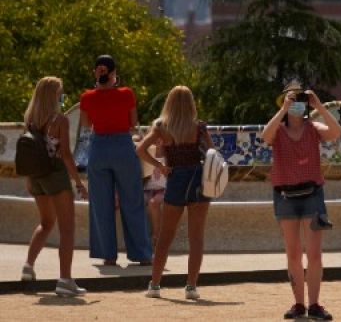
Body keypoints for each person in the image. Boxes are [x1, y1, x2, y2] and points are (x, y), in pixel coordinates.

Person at [263, 87, 341, 322]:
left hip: (312, 194)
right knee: (293, 252)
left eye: (301, 101)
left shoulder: (313, 128)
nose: (298, 104)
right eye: (293, 100)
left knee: (315, 254)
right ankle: (298, 303)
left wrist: (319, 106)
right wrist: (283, 110)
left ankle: (315, 304)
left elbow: (336, 132)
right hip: (285, 196)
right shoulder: (278, 130)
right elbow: (266, 136)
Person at [135, 85, 214, 300]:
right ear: (191, 104)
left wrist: (159, 166)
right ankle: (191, 287)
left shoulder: (162, 127)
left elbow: (140, 149)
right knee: (196, 237)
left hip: (176, 178)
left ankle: (155, 284)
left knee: (165, 237)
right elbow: (213, 153)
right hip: (198, 180)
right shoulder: (199, 128)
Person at [80, 54, 152, 268]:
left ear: (96, 72)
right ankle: (142, 254)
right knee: (133, 201)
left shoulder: (87, 97)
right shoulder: (126, 93)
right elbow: (132, 122)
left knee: (101, 205)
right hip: (122, 146)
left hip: (99, 148)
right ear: (113, 73)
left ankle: (108, 256)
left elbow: (86, 124)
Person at [20, 76, 89, 298]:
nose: (62, 97)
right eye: (60, 93)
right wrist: (78, 182)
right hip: (55, 174)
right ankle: (65, 279)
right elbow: (66, 155)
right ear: (53, 96)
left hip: (36, 176)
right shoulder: (59, 120)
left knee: (46, 222)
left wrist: (29, 178)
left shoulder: (30, 118)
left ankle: (28, 267)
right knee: (67, 229)